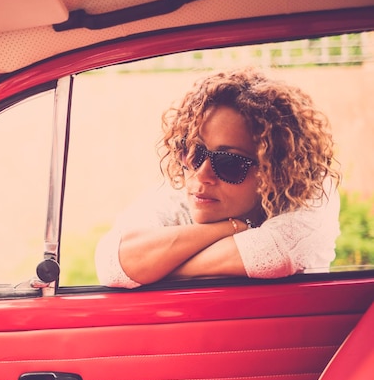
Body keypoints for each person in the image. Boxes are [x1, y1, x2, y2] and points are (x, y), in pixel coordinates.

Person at [95, 67, 341, 288]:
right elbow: (112, 263)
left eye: (229, 162)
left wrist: (155, 270)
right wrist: (237, 227)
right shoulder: (181, 194)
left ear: (275, 171)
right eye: (193, 151)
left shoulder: (310, 195)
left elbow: (276, 254)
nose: (202, 174)